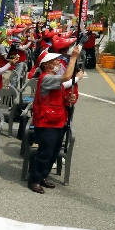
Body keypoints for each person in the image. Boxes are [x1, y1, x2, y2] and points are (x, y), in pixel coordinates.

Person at [28, 45, 83, 194]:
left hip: (57, 119)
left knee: (54, 151)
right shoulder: (45, 78)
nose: (59, 62)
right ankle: (34, 179)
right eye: (55, 60)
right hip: (46, 122)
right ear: (47, 65)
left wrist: (68, 98)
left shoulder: (52, 80)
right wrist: (73, 58)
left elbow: (58, 97)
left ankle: (43, 176)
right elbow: (66, 77)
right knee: (45, 153)